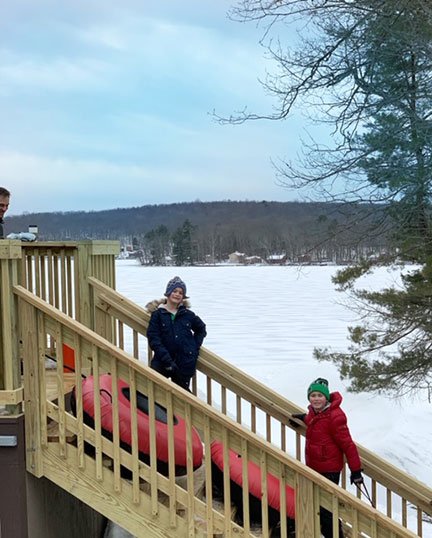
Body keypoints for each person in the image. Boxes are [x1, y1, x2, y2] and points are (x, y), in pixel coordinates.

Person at [291, 378, 363, 538]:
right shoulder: (316, 413)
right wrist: (302, 418)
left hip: (329, 470)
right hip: (315, 467)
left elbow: (348, 445)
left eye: (320, 396)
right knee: (319, 506)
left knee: (326, 509)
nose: (316, 399)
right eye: (313, 395)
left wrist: (356, 471)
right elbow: (312, 420)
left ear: (327, 398)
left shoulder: (335, 417)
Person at [146, 276, 207, 391]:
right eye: (175, 291)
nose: (177, 294)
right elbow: (153, 338)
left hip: (184, 363)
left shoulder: (188, 314)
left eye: (181, 293)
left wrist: (193, 347)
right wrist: (166, 359)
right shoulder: (158, 314)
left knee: (182, 397)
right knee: (153, 392)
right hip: (162, 361)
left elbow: (201, 329)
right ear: (168, 293)